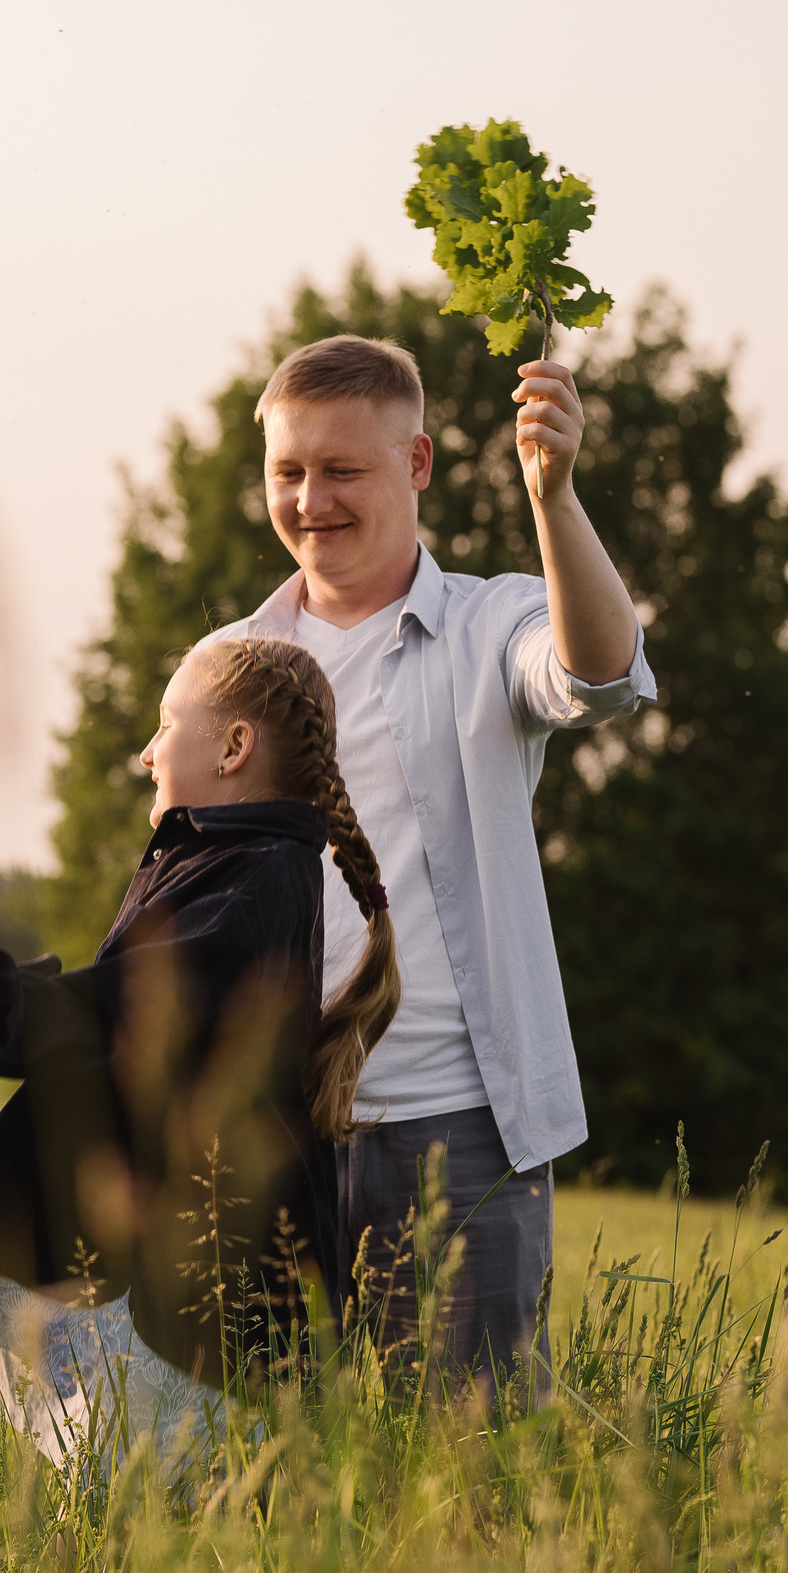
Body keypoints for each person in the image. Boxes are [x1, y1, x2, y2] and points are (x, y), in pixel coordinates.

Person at [199, 335, 656, 1398]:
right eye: (287, 471)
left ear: (417, 465)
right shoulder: (225, 667)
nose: (311, 499)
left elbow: (598, 672)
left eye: (342, 470)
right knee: (277, 1479)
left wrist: (553, 496)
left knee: (472, 1478)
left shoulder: (486, 623)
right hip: (269, 1133)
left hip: (460, 1136)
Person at [0, 637, 399, 1480]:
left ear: (233, 746)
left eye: (167, 721)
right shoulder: (230, 864)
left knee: (144, 1551)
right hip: (167, 1324)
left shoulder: (254, 882)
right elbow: (115, 1008)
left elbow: (102, 1021)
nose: (146, 750)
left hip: (188, 1345)